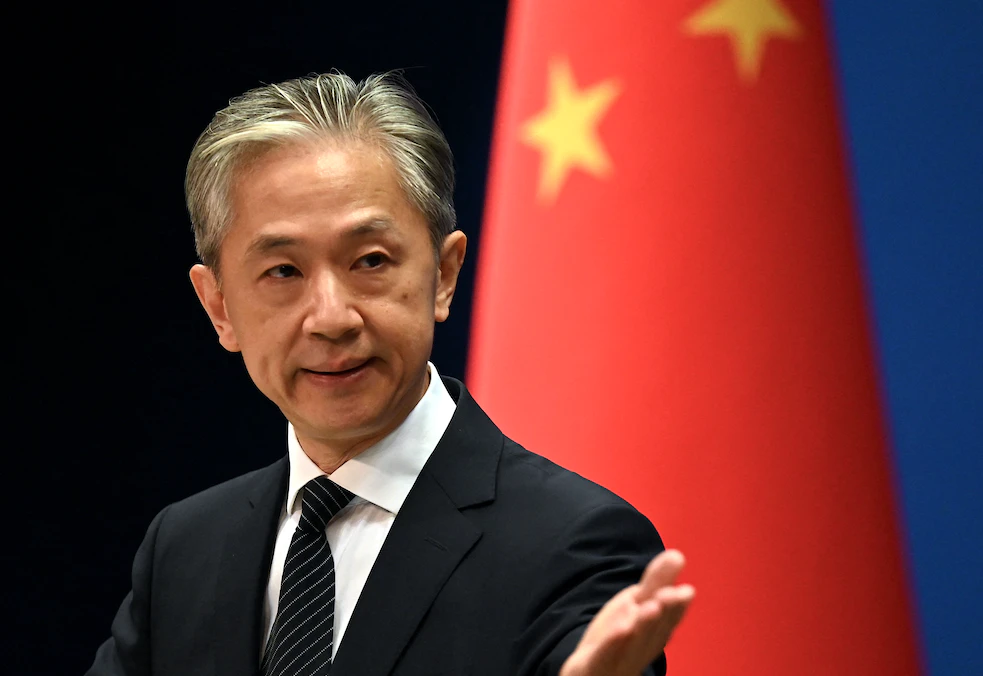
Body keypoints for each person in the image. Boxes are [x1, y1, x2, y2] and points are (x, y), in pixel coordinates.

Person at [87, 71, 693, 676]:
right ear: (219, 307)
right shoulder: (184, 549)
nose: (331, 318)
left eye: (370, 261)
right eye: (283, 272)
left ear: (444, 274)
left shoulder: (574, 544)